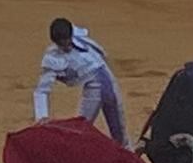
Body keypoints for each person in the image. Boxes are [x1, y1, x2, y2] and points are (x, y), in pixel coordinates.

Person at [33, 17, 128, 148]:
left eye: (67, 40)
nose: (66, 45)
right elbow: (42, 90)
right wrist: (42, 116)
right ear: (55, 42)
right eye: (62, 43)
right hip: (94, 85)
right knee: (81, 127)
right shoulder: (52, 58)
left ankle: (127, 156)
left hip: (106, 76)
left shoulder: (76, 36)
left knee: (117, 126)